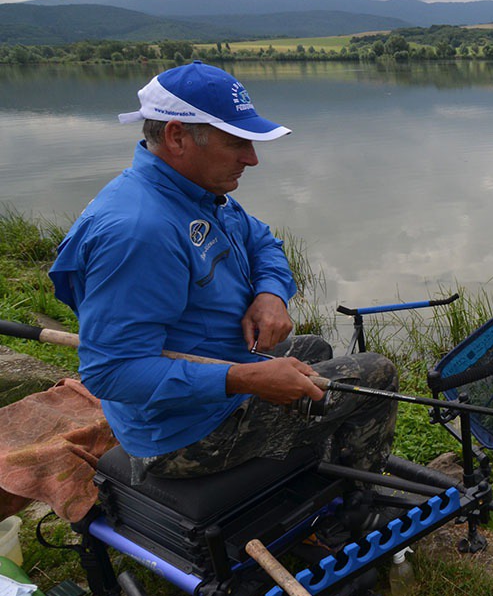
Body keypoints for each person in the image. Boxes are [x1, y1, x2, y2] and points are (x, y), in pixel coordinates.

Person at [49, 61, 397, 482]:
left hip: (217, 370)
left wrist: (270, 293)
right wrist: (244, 378)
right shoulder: (140, 231)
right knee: (376, 373)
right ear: (177, 136)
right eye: (236, 142)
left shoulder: (196, 192)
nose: (252, 159)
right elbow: (111, 372)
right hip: (183, 434)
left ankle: (307, 470)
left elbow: (262, 240)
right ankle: (352, 514)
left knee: (315, 350)